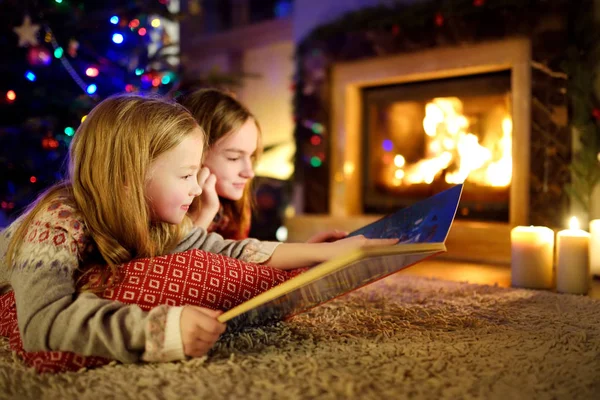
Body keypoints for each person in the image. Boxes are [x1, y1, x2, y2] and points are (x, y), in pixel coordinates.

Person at [0, 94, 397, 365]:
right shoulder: (58, 221)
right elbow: (41, 323)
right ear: (128, 178)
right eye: (188, 174)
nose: (197, 187)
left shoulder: (155, 218)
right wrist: (159, 332)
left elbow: (226, 250)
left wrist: (326, 254)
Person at [176, 88, 347, 243]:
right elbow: (177, 267)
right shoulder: (168, 210)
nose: (249, 172)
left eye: (251, 157)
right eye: (234, 158)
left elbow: (240, 266)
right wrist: (205, 213)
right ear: (195, 154)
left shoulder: (232, 209)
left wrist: (309, 252)